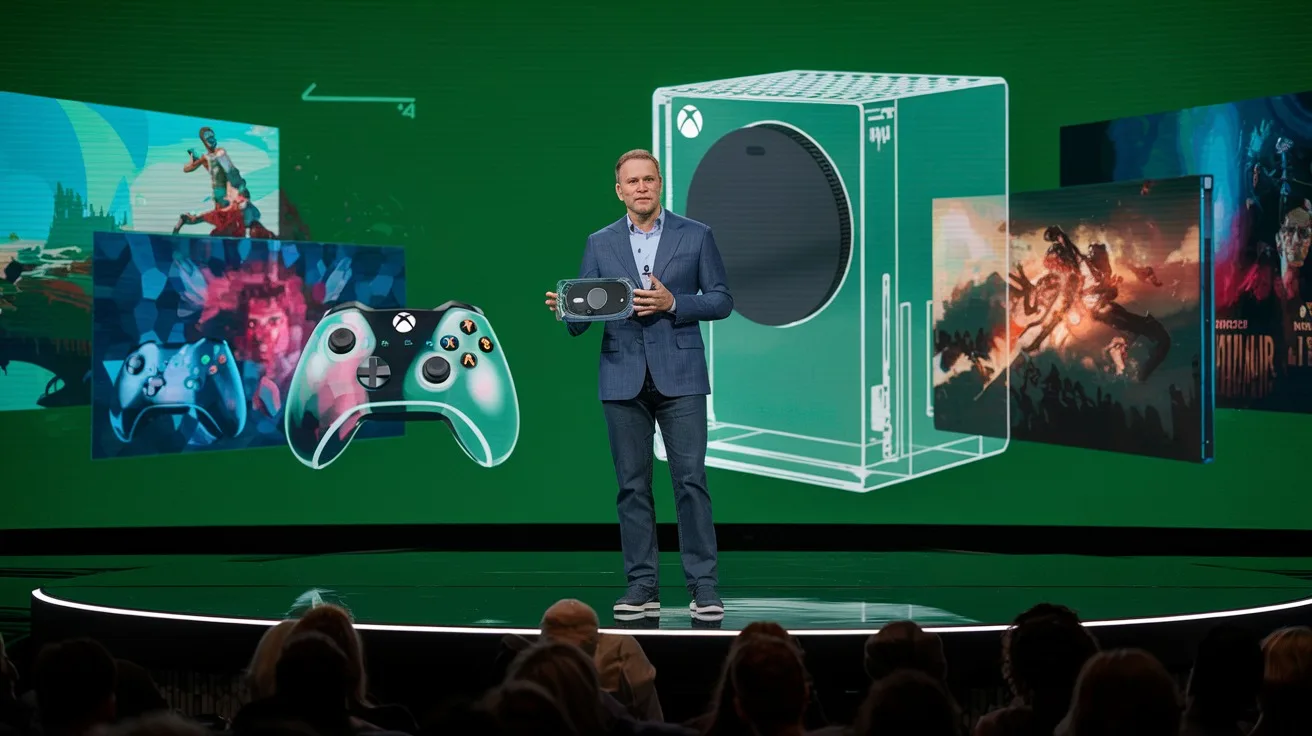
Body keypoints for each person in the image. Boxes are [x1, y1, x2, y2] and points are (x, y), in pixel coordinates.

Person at [545, 149, 733, 619]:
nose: (641, 187)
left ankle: (704, 587)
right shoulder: (599, 242)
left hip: (681, 375)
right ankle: (642, 585)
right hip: (621, 375)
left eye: (648, 179)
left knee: (690, 482)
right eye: (632, 182)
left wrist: (675, 302)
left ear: (660, 183)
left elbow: (721, 300)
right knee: (631, 487)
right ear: (619, 190)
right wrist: (567, 311)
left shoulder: (696, 234)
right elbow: (583, 316)